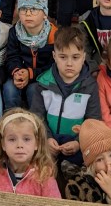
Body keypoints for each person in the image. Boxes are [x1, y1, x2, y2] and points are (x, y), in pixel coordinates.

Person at [30, 25, 102, 167]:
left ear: (83, 57)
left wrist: (78, 142)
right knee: (35, 156)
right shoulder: (43, 84)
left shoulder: (90, 86)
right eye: (63, 57)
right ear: (54, 56)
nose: (69, 63)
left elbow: (93, 121)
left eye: (75, 57)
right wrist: (47, 139)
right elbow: (37, 117)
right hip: (48, 143)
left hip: (77, 144)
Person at [0, 109, 61, 198]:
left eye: (26, 139)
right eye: (12, 139)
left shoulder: (44, 175)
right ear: (3, 144)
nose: (19, 145)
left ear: (37, 143)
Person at [4, 0, 56, 109]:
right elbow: (12, 56)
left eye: (34, 9)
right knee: (9, 88)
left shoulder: (54, 35)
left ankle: (35, 122)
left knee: (34, 90)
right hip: (20, 74)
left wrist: (31, 74)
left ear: (44, 13)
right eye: (23, 9)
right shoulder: (14, 32)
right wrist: (17, 72)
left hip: (42, 77)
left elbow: (54, 65)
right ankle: (11, 119)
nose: (28, 14)